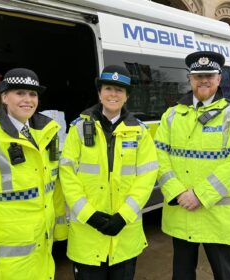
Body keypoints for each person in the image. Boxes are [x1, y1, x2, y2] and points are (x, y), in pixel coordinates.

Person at [0, 68, 68, 279]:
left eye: (33, 94)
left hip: (41, 256)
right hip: (6, 266)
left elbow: (52, 188)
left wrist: (60, 230)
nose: (28, 100)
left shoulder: (47, 133)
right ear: (4, 97)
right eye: (20, 93)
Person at [154, 51, 230, 280]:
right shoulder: (172, 115)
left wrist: (200, 195)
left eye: (210, 75)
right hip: (182, 212)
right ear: (190, 79)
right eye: (198, 76)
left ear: (219, 78)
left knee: (226, 275)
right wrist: (177, 192)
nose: (204, 80)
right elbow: (159, 154)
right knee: (182, 275)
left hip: (218, 216)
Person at [59, 65, 158, 280]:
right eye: (108, 88)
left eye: (119, 90)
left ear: (127, 97)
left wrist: (123, 216)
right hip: (87, 234)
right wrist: (89, 216)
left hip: (125, 235)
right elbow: (67, 175)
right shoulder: (78, 128)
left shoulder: (140, 132)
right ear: (99, 93)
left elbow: (147, 177)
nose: (113, 94)